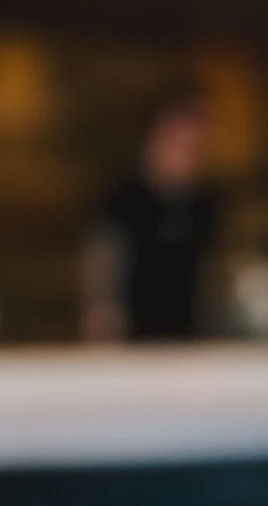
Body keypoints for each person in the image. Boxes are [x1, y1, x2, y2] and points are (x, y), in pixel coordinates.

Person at [82, 89, 218, 341]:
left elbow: (212, 280)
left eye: (196, 148)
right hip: (133, 342)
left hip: (191, 342)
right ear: (156, 138)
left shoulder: (205, 203)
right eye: (181, 145)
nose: (189, 158)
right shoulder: (123, 198)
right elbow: (101, 272)